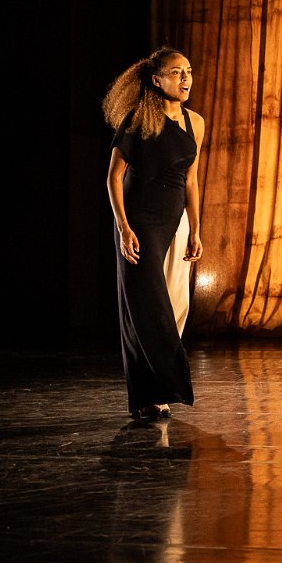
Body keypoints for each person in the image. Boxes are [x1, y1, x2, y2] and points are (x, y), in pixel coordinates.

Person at [103, 47, 204, 421]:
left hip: (175, 220)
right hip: (140, 221)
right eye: (176, 72)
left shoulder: (195, 122)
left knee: (176, 304)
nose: (185, 78)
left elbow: (191, 181)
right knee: (147, 307)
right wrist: (123, 226)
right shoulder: (138, 119)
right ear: (156, 79)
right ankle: (159, 388)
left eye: (188, 71)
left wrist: (196, 228)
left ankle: (154, 395)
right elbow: (114, 177)